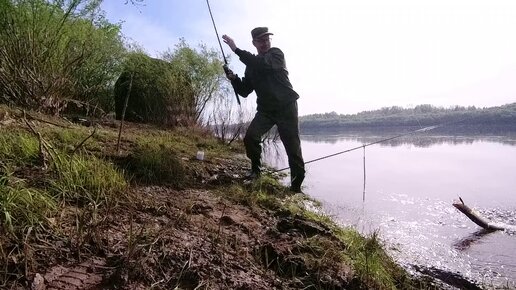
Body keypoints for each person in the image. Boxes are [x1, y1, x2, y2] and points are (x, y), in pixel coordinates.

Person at [222, 27, 305, 193]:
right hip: (266, 110)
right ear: (254, 43)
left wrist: (236, 50)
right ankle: (255, 171)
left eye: (267, 39)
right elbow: (244, 91)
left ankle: (296, 187)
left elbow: (262, 64)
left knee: (292, 148)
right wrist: (234, 79)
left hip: (286, 107)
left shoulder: (276, 54)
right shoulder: (251, 66)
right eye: (261, 40)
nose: (265, 43)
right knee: (251, 137)